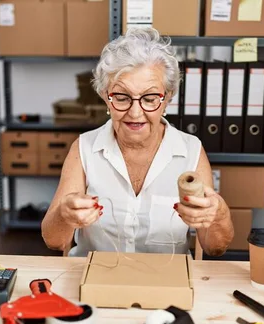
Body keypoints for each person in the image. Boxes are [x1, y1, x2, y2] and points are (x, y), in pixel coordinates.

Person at [41, 27, 234, 257]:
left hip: (165, 282)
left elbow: (215, 247)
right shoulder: (84, 148)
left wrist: (219, 214)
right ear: (105, 95)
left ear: (167, 98)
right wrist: (64, 215)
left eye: (150, 99)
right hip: (97, 280)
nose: (135, 113)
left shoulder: (190, 151)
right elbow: (53, 240)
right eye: (121, 98)